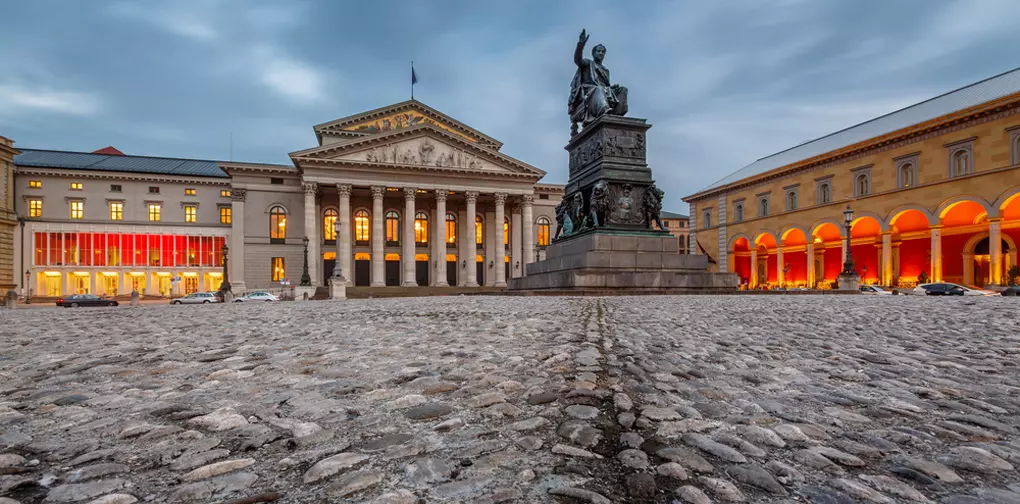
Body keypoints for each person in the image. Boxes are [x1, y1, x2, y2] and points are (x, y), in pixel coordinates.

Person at [568, 29, 629, 134]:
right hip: (589, 91)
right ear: (593, 53)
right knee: (599, 89)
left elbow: (606, 85)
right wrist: (580, 45)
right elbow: (577, 60)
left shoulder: (605, 70)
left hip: (602, 91)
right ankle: (603, 110)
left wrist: (612, 88)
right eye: (598, 51)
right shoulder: (588, 63)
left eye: (603, 51)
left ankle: (618, 114)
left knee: (622, 89)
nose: (600, 53)